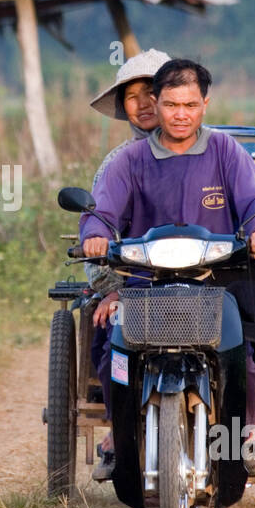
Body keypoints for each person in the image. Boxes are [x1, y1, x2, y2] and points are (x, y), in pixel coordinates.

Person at [80, 59, 255, 497]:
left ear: (205, 104)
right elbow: (103, 210)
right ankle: (120, 435)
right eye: (171, 104)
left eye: (190, 104)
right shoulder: (129, 160)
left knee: (242, 353)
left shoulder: (226, 151)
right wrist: (95, 234)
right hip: (145, 283)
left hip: (216, 279)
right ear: (158, 104)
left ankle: (243, 437)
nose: (181, 114)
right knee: (109, 350)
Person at [83, 49, 171, 480]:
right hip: (135, 283)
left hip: (206, 278)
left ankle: (242, 428)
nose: (143, 103)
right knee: (109, 343)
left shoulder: (212, 150)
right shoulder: (116, 164)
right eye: (131, 96)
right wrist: (111, 287)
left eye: (152, 91)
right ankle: (120, 429)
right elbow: (97, 228)